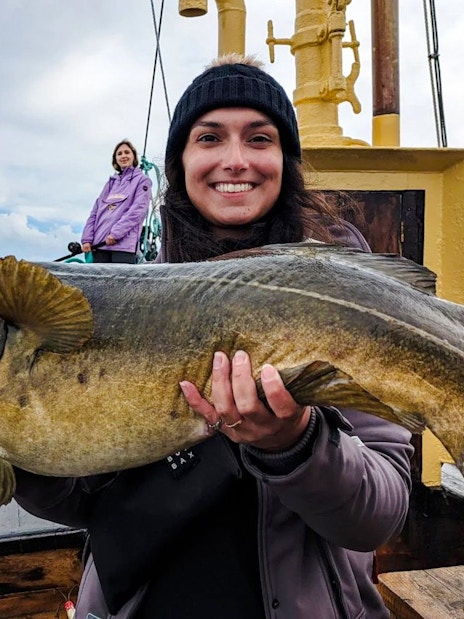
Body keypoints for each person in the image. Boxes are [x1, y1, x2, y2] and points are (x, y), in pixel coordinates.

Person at [14, 55, 413, 618]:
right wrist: (20, 438)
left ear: (285, 160)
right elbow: (79, 499)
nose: (235, 160)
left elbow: (381, 513)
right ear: (179, 162)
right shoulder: (119, 301)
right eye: (209, 137)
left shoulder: (353, 303)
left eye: (259, 138)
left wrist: (294, 444)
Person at [81, 140, 152, 264]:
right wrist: (87, 239)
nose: (123, 156)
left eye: (127, 152)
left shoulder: (142, 180)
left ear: (134, 157)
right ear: (115, 159)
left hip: (123, 245)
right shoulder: (110, 183)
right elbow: (95, 212)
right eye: (119, 154)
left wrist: (116, 234)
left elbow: (138, 210)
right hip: (99, 245)